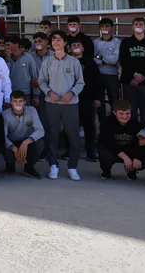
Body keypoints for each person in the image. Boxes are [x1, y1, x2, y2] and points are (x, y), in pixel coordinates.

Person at [39, 30, 85, 181]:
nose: (56, 42)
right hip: (52, 103)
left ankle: (72, 167)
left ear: (65, 43)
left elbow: (80, 82)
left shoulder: (74, 62)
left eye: (59, 39)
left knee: (73, 136)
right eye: (53, 39)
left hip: (70, 104)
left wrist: (72, 93)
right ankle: (53, 165)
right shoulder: (47, 62)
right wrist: (48, 92)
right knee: (52, 135)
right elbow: (42, 81)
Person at [119, 18, 145, 124]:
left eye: (141, 24)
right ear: (132, 27)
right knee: (130, 110)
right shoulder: (125, 42)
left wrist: (142, 76)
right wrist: (134, 74)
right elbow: (123, 60)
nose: (138, 26)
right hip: (129, 81)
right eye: (136, 24)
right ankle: (132, 132)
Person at [97, 99, 145, 180]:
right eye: (121, 113)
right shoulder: (106, 123)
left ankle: (131, 169)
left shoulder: (136, 124)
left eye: (127, 113)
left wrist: (137, 157)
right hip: (112, 150)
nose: (125, 117)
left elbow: (139, 142)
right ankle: (106, 170)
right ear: (114, 113)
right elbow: (108, 143)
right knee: (105, 154)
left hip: (129, 150)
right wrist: (125, 157)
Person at [3, 90, 45, 179]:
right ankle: (10, 164)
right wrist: (14, 148)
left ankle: (29, 167)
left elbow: (40, 130)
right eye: (15, 101)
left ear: (25, 102)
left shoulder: (32, 110)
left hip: (27, 141)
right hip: (12, 142)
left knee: (39, 143)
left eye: (20, 101)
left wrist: (27, 141)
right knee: (3, 145)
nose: (18, 104)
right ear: (11, 102)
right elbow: (3, 136)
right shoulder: (5, 114)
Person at [93, 18, 120, 121]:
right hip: (98, 75)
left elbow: (114, 60)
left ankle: (115, 123)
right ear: (100, 28)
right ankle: (103, 124)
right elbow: (93, 59)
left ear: (112, 27)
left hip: (112, 75)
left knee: (114, 101)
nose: (104, 28)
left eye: (107, 26)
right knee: (99, 102)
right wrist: (106, 61)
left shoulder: (117, 42)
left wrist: (99, 57)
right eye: (102, 26)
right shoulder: (95, 42)